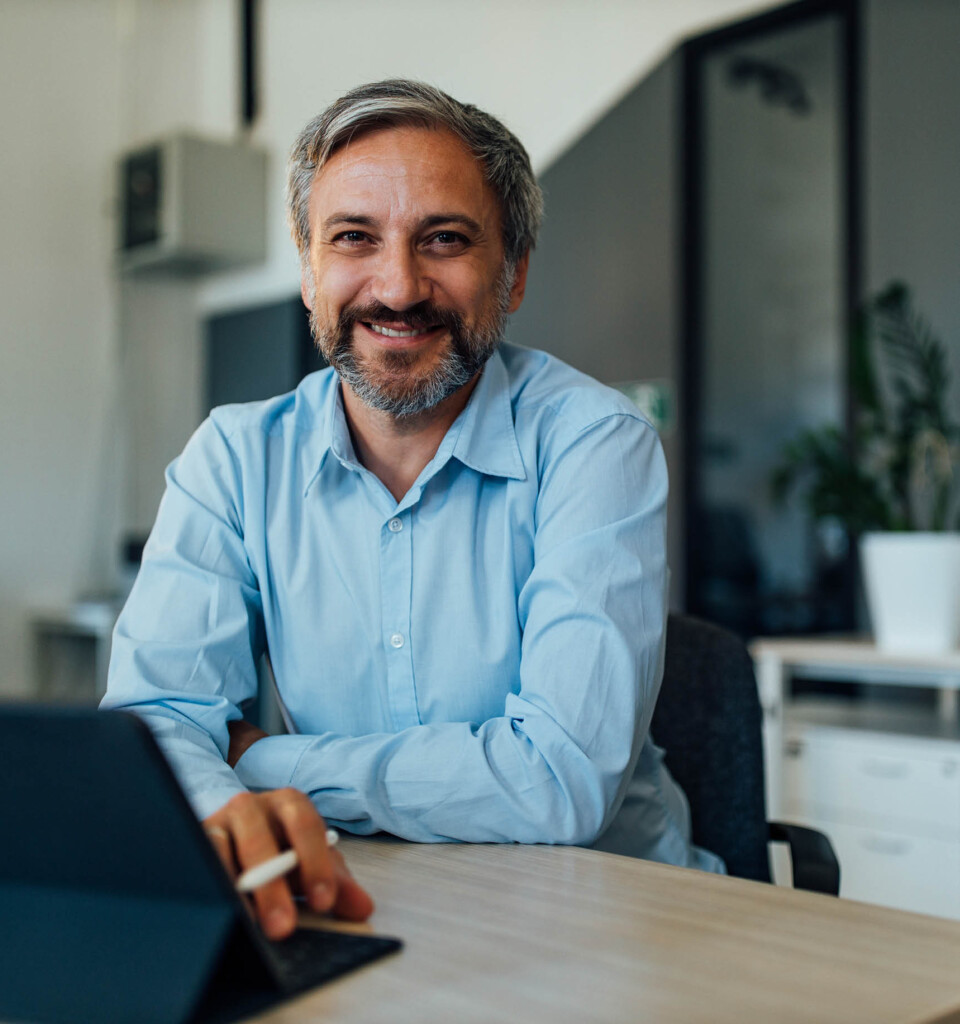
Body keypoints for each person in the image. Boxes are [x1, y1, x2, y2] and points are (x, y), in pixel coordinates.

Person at [103, 79, 721, 940]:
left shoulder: (593, 441)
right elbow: (156, 722)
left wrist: (262, 763)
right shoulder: (234, 458)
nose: (397, 286)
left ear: (513, 274)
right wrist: (222, 806)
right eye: (354, 237)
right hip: (372, 907)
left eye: (445, 240)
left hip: (609, 926)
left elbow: (561, 783)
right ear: (310, 265)